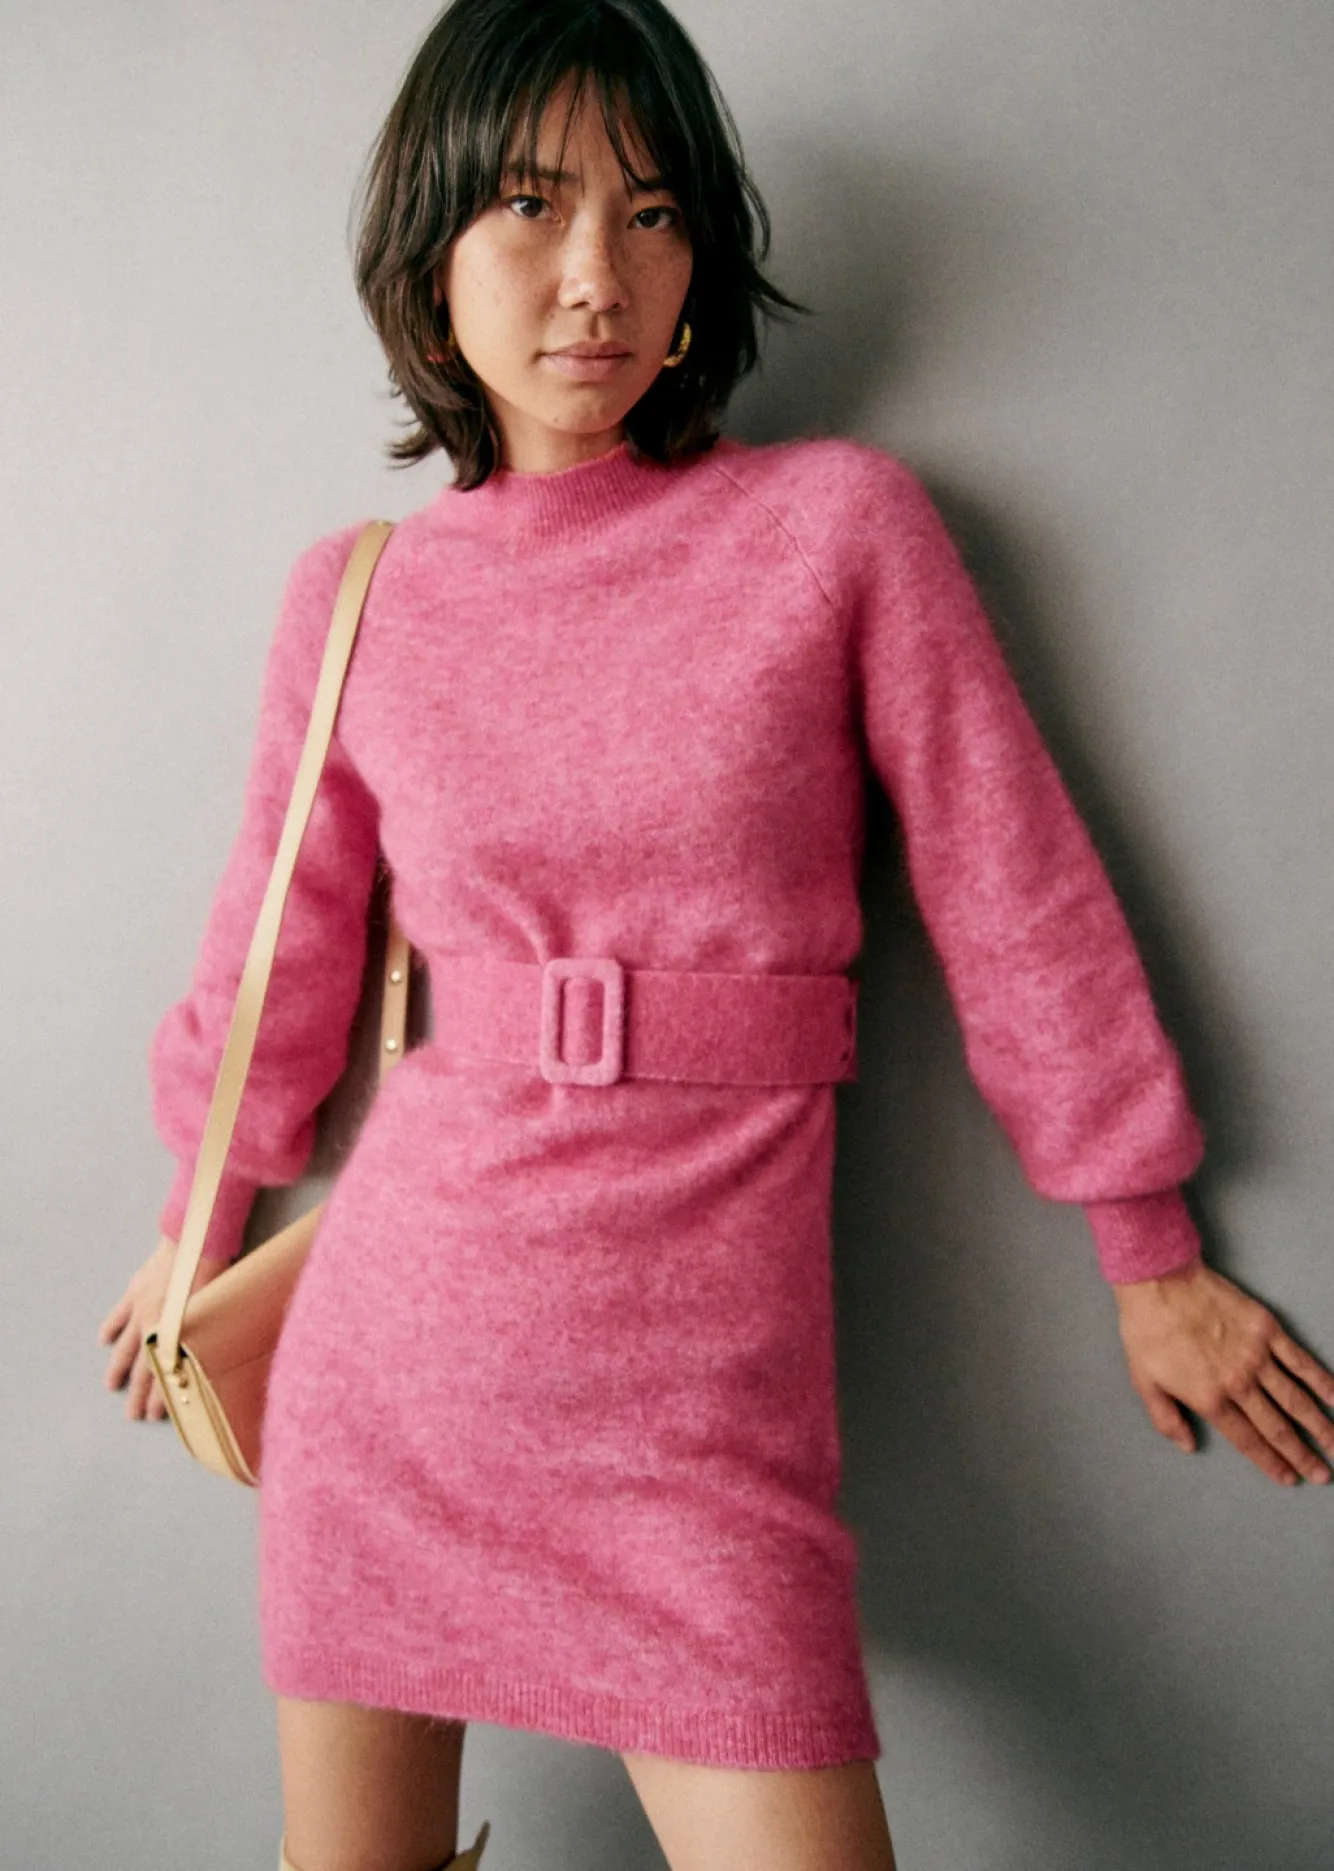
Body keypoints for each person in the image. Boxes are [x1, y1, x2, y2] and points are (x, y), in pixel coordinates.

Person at [96, 2, 1334, 1867]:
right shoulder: (360, 596)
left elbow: (1014, 890)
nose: (597, 273)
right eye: (531, 205)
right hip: (395, 1380)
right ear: (429, 261)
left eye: (653, 211)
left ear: (701, 267)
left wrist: (1143, 1242)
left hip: (700, 1427)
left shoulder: (837, 528)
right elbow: (278, 959)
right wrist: (200, 1213)